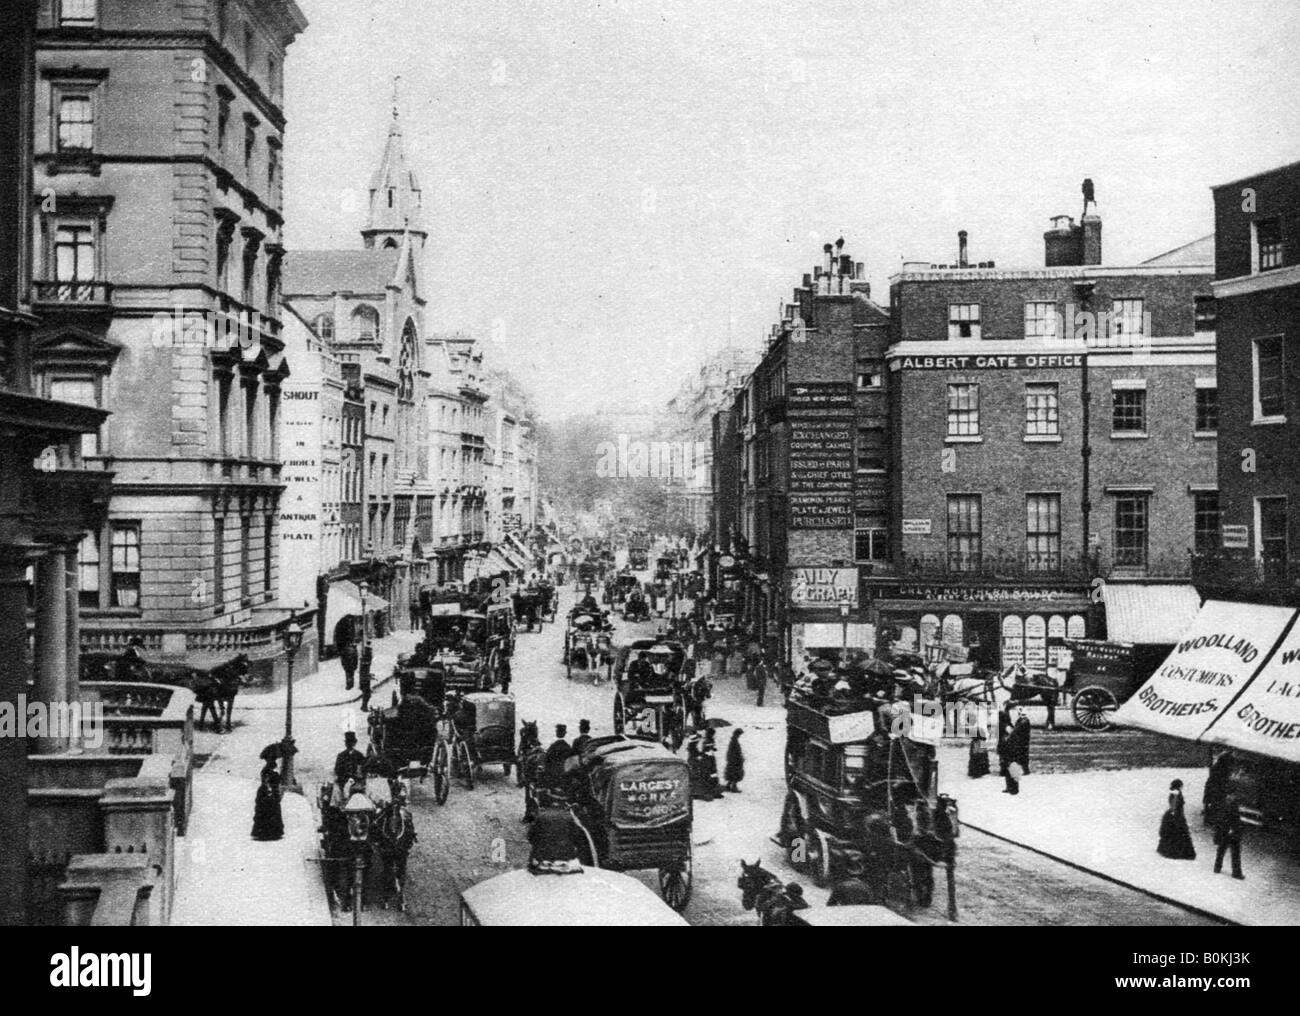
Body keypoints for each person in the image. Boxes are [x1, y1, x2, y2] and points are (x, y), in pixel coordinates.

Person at [1157, 778, 1197, 860]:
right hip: (1176, 816)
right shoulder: (1176, 793)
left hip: (1176, 815)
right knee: (1179, 833)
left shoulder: (1174, 792)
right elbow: (1173, 806)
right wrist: (1175, 815)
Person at [1212, 791, 1245, 879]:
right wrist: (1233, 829)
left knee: (1221, 850)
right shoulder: (1233, 805)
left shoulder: (1223, 803)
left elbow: (1219, 818)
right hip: (1231, 831)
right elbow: (1233, 818)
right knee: (1235, 852)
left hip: (1224, 831)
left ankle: (1217, 867)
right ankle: (1236, 872)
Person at [251, 761, 284, 841]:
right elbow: (276, 783)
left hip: (264, 794)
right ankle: (273, 832)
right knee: (272, 813)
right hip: (271, 795)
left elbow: (266, 782)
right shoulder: (273, 775)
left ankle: (262, 832)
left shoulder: (264, 772)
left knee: (264, 813)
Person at [1203, 750, 1234, 827]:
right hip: (1216, 788)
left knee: (1211, 803)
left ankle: (1209, 820)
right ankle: (1212, 821)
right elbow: (1223, 780)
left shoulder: (1217, 766)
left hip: (1212, 787)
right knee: (1216, 803)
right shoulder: (1222, 768)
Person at [724, 728, 745, 792]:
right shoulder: (734, 741)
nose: (739, 736)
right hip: (735, 760)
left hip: (732, 760)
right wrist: (739, 758)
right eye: (739, 734)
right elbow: (734, 751)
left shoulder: (733, 740)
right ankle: (734, 787)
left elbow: (731, 751)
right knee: (736, 773)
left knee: (731, 773)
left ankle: (728, 786)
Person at [358, 642, 374, 712]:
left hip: (364, 679)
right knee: (367, 694)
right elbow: (364, 672)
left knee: (367, 694)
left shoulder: (365, 661)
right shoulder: (365, 662)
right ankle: (364, 707)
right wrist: (368, 676)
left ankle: (364, 706)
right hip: (364, 680)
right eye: (370, 652)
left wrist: (370, 675)